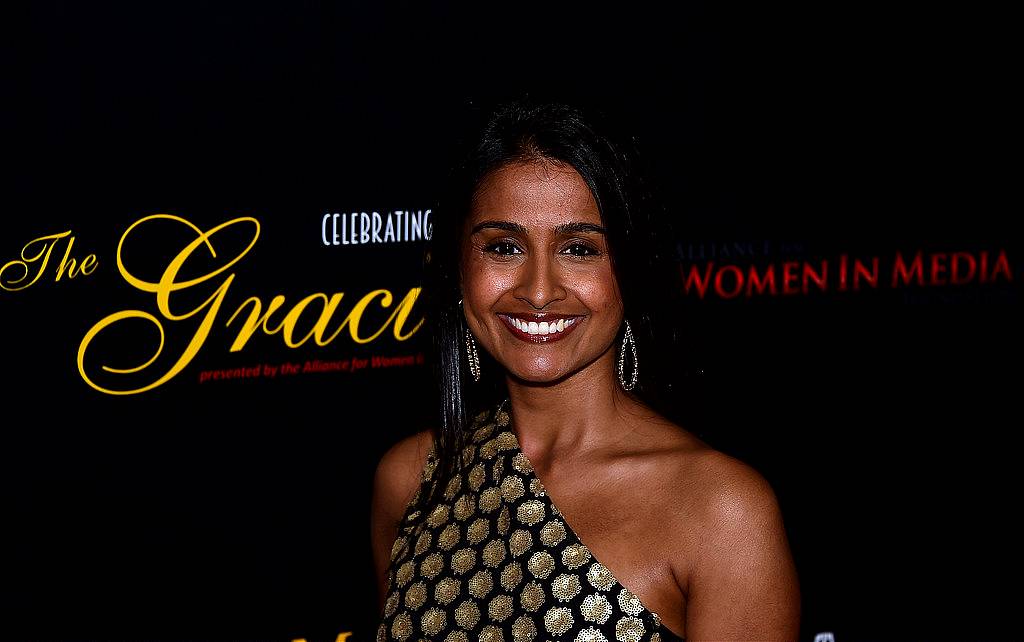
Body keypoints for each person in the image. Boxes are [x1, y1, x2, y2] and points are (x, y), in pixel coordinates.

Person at [370, 96, 800, 641]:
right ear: (457, 269)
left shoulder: (721, 511)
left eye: (579, 249)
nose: (539, 291)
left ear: (631, 267)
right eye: (503, 247)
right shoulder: (409, 481)